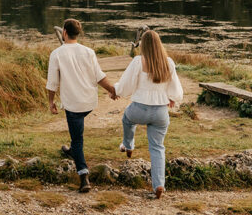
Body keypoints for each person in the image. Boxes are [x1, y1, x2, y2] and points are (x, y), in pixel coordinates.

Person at [45, 18, 118, 192]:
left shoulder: (57, 53)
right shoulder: (89, 52)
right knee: (77, 130)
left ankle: (84, 176)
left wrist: (50, 102)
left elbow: (52, 82)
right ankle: (72, 150)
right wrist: (112, 90)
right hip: (89, 101)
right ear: (78, 33)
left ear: (64, 32)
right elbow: (99, 76)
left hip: (74, 104)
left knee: (78, 139)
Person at [114, 30, 183, 199]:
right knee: (157, 147)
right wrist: (172, 98)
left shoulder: (138, 61)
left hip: (139, 109)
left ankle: (128, 145)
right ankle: (159, 185)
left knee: (127, 119)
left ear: (142, 45)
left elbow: (126, 85)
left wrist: (115, 90)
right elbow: (176, 88)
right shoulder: (168, 62)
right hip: (160, 112)